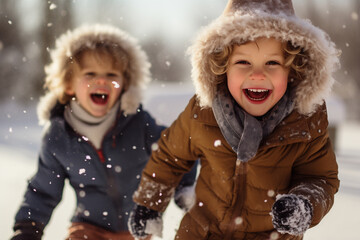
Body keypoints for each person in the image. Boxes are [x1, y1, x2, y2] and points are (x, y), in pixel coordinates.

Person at [128, 0, 340, 239]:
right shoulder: (203, 112)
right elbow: (170, 157)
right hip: (201, 233)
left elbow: (320, 177)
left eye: (272, 63)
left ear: (293, 71)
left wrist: (305, 203)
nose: (258, 74)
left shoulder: (304, 122)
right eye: (243, 62)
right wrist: (149, 204)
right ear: (222, 67)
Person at [10, 24, 196, 240]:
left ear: (125, 84)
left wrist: (185, 187)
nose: (102, 81)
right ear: (69, 84)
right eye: (90, 74)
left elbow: (177, 152)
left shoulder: (138, 124)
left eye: (111, 75)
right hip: (89, 228)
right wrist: (28, 227)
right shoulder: (59, 136)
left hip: (136, 229)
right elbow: (43, 190)